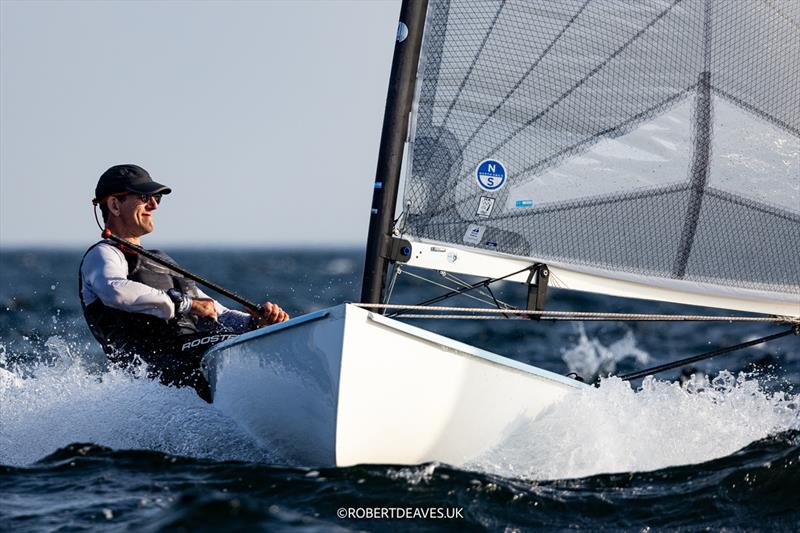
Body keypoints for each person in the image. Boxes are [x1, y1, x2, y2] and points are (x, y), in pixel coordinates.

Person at [79, 164, 288, 401]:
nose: (154, 205)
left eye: (156, 198)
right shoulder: (103, 255)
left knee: (252, 337)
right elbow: (115, 291)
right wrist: (186, 304)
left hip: (193, 353)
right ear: (115, 205)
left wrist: (255, 323)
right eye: (144, 197)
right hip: (153, 374)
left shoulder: (160, 260)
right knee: (228, 344)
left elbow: (216, 313)